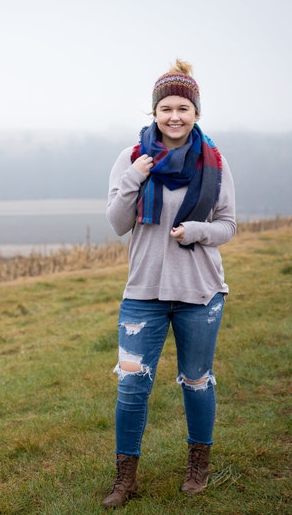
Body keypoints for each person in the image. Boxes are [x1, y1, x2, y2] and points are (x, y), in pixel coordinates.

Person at [102, 59, 237, 508]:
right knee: (131, 385)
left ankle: (198, 466)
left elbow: (228, 226)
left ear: (196, 113)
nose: (174, 116)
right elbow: (118, 223)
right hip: (143, 292)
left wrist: (198, 231)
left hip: (200, 293)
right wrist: (135, 177)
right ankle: (126, 480)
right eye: (166, 109)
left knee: (197, 380)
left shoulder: (214, 161)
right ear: (154, 113)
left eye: (183, 108)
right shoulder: (131, 158)